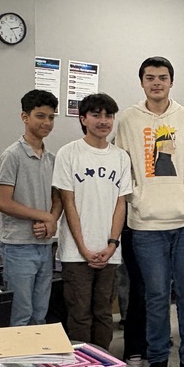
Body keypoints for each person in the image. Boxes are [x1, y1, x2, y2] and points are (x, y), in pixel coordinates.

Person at [113, 56, 184, 367]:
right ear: (142, 82)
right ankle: (157, 357)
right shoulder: (128, 119)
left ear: (171, 81)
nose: (156, 83)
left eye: (162, 77)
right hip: (145, 224)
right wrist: (136, 201)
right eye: (150, 78)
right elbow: (121, 166)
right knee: (155, 295)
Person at [53, 93, 132, 349]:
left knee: (103, 313)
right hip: (76, 253)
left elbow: (121, 204)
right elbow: (68, 203)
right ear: (83, 119)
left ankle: (103, 366)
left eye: (108, 115)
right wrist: (84, 248)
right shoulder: (68, 153)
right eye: (96, 115)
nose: (103, 121)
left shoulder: (120, 157)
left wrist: (111, 245)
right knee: (79, 315)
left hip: (109, 252)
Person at [0, 90, 62, 327]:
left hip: (45, 245)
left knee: (40, 314)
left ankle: (37, 363)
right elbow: (3, 202)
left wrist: (51, 221)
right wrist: (44, 216)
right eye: (40, 116)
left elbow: (58, 199)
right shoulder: (12, 155)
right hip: (18, 246)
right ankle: (18, 364)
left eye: (51, 117)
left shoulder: (52, 159)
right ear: (25, 117)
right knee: (21, 315)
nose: (47, 123)